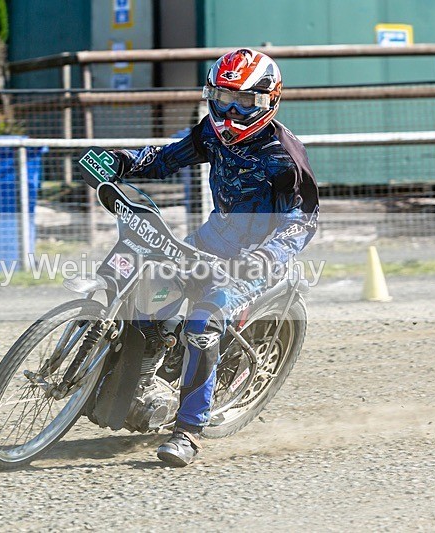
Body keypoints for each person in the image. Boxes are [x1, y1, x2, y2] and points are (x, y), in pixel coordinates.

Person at [111, 48, 320, 466]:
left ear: (268, 101)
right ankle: (144, 381)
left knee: (202, 323)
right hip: (212, 239)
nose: (230, 110)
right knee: (150, 286)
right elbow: (165, 159)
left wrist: (268, 256)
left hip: (256, 261)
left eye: (244, 101)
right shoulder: (210, 131)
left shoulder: (284, 157)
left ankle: (188, 431)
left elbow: (303, 220)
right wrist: (122, 161)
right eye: (222, 98)